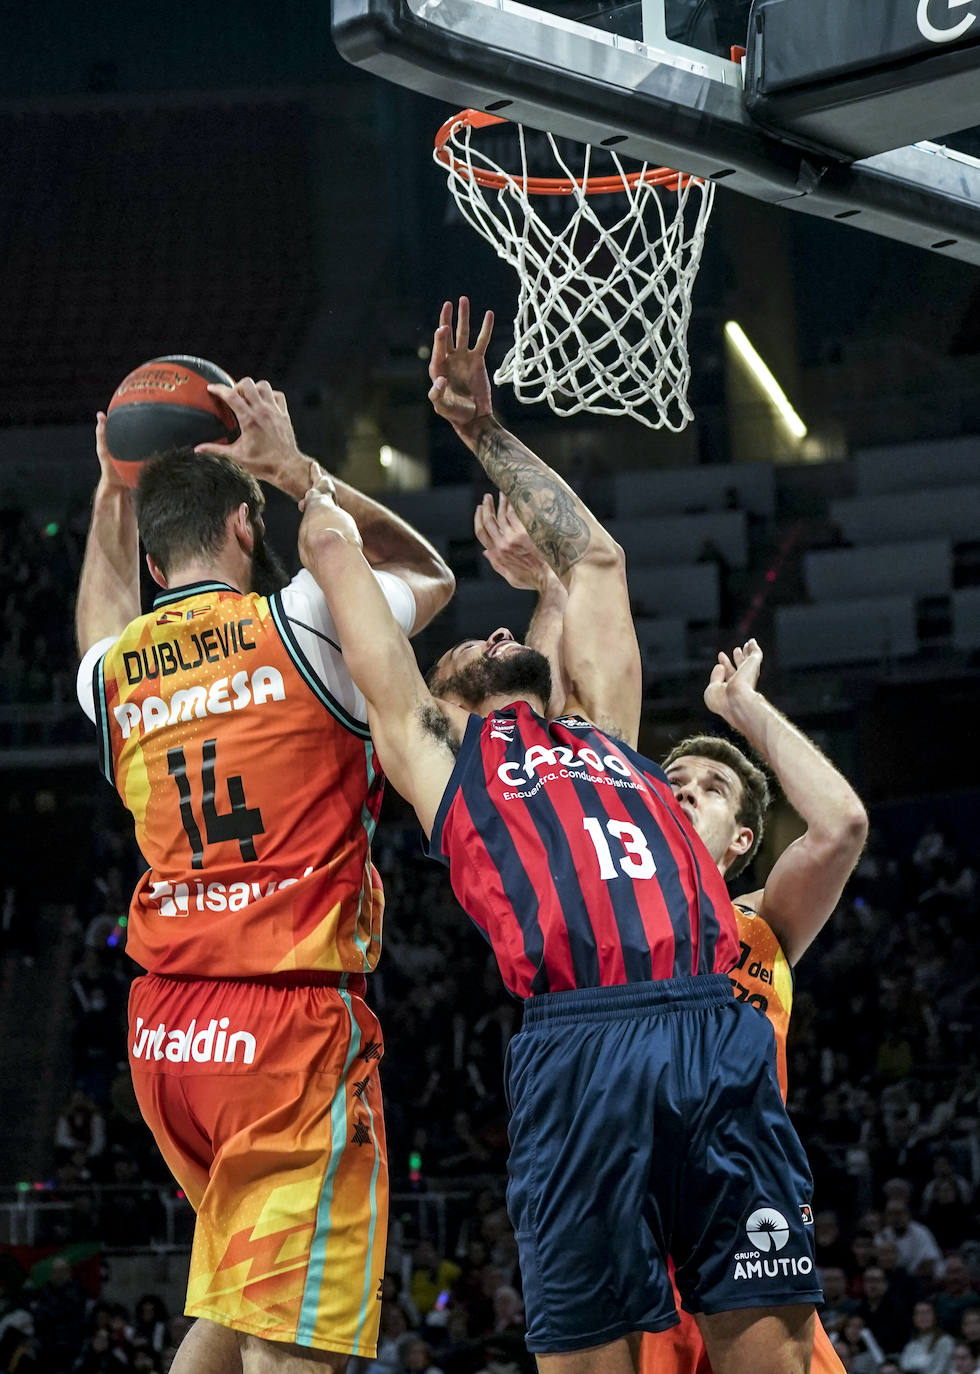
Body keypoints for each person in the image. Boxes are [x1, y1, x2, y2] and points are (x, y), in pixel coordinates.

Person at [297, 297, 823, 1374]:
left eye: (502, 626)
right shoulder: (442, 763)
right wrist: (301, 480)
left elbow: (594, 565)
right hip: (579, 1046)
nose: (489, 628)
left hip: (710, 1027)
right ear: (438, 694)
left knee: (770, 1353)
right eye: (466, 642)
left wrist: (477, 428)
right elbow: (361, 617)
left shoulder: (611, 738)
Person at [74, 381, 455, 1371]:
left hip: (166, 1035)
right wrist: (297, 470)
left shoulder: (120, 671)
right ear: (246, 523)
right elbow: (427, 571)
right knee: (293, 1350)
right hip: (282, 1032)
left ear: (155, 559)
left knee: (236, 1308)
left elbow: (99, 621)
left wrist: (112, 491)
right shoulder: (304, 621)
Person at [472, 481, 869, 1374]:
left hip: (738, 1209)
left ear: (738, 844)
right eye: (673, 782)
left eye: (711, 789)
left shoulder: (761, 926)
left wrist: (747, 714)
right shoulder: (612, 908)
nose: (682, 792)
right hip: (635, 1233)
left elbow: (841, 827)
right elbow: (549, 738)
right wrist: (551, 593)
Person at [898, 1300, 956, 1374]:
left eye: (927, 1312)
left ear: (935, 1316)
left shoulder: (945, 1341)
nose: (923, 1317)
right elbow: (903, 1367)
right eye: (918, 1313)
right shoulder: (912, 1344)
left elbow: (939, 1371)